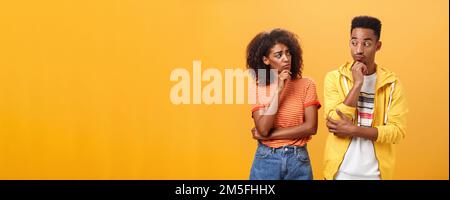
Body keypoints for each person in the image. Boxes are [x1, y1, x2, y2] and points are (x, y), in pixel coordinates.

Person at [323, 16, 408, 180]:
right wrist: (357, 85)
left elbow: (397, 131)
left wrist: (354, 130)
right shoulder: (334, 78)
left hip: (376, 175)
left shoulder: (392, 84)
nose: (359, 50)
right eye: (354, 42)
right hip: (339, 173)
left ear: (378, 46)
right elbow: (333, 121)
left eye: (366, 43)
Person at [246, 28, 321, 180]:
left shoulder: (307, 84)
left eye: (288, 53)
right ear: (266, 60)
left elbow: (311, 127)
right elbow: (264, 128)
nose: (286, 59)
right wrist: (279, 90)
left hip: (298, 160)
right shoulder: (257, 87)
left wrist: (269, 135)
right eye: (279, 55)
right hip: (266, 159)